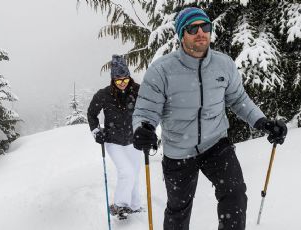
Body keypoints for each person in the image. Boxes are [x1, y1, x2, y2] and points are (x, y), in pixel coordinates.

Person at [132, 7, 287, 230]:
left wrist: (261, 122)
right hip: (178, 151)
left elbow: (238, 99)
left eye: (205, 27)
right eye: (192, 28)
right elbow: (146, 111)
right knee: (178, 209)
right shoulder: (162, 70)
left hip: (216, 144)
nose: (200, 33)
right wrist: (142, 128)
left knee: (234, 195)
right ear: (181, 34)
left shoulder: (223, 64)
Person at [87, 55, 142, 218]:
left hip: (133, 140)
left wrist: (146, 129)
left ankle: (134, 205)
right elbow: (91, 114)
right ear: (113, 80)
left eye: (125, 79)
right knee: (127, 172)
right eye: (118, 80)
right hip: (113, 141)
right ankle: (119, 205)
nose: (122, 83)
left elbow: (148, 108)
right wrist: (97, 131)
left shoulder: (138, 90)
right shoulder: (104, 95)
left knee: (134, 174)